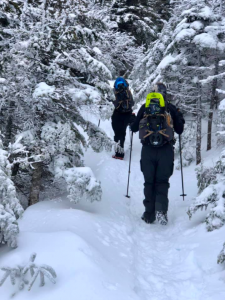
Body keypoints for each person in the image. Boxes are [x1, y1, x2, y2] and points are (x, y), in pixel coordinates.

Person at [130, 83, 185, 225]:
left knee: (149, 182)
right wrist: (179, 117)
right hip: (165, 150)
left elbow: (134, 127)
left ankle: (149, 214)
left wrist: (133, 119)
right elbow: (179, 130)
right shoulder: (170, 107)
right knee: (162, 182)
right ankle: (161, 211)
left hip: (147, 150)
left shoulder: (145, 107)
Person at [111, 77, 135, 160]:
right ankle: (120, 153)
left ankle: (119, 153)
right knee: (122, 132)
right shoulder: (127, 91)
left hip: (116, 114)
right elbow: (132, 103)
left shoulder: (114, 91)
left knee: (117, 133)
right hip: (127, 114)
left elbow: (110, 103)